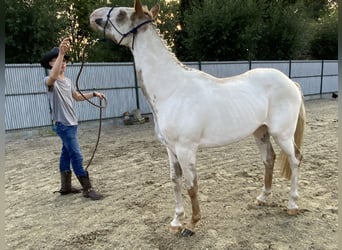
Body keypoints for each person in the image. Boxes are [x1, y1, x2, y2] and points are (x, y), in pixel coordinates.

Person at [40, 37, 104, 200]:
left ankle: (66, 187)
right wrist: (61, 52)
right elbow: (53, 77)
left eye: (64, 61)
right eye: (58, 61)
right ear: (50, 64)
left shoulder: (68, 81)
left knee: (66, 154)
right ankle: (87, 189)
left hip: (72, 124)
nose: (63, 63)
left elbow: (76, 96)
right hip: (63, 125)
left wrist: (94, 94)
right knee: (76, 155)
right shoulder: (49, 81)